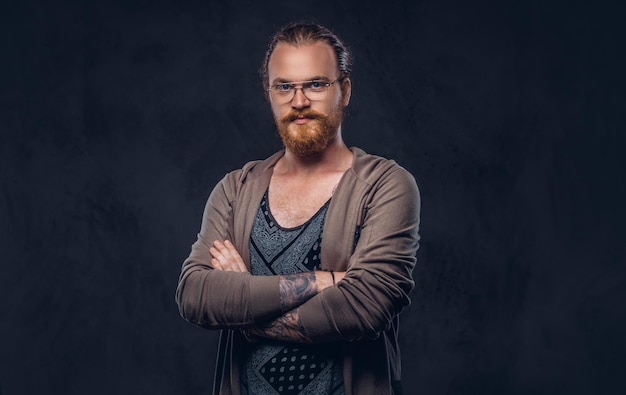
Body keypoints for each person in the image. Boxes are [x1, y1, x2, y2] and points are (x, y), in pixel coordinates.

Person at [176, 22, 420, 395]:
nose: (299, 100)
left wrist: (245, 308)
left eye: (316, 84)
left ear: (345, 90)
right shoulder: (236, 189)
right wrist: (325, 281)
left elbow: (365, 306)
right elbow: (195, 295)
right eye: (284, 86)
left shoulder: (383, 186)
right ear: (269, 93)